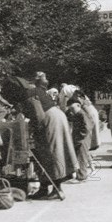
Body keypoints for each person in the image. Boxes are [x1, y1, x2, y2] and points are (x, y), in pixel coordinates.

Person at [28, 72, 78, 200]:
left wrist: (35, 130)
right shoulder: (40, 91)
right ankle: (46, 189)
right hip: (57, 117)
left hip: (51, 120)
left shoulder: (31, 92)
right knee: (56, 152)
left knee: (51, 153)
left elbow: (38, 115)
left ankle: (55, 189)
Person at [66, 98, 93, 182]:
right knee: (79, 157)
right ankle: (80, 175)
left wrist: (80, 137)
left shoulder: (82, 114)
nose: (71, 111)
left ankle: (82, 177)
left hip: (82, 140)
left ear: (78, 105)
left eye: (72, 108)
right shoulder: (77, 114)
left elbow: (87, 127)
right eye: (70, 109)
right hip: (79, 139)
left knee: (81, 158)